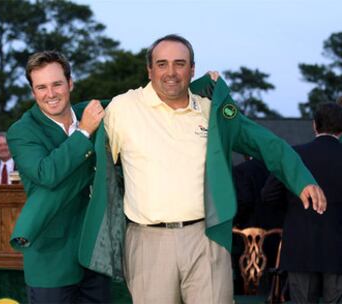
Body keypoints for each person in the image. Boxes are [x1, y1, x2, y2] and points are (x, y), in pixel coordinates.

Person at [103, 34, 326, 303]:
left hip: (206, 236)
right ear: (149, 70)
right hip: (147, 241)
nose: (171, 72)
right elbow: (89, 151)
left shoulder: (214, 110)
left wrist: (300, 179)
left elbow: (263, 141)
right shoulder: (123, 109)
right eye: (162, 64)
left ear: (192, 68)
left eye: (180, 63)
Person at [7, 51, 110, 304]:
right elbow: (47, 173)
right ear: (33, 91)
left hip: (96, 253)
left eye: (56, 84)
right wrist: (84, 131)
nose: (50, 94)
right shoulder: (21, 131)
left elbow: (142, 103)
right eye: (41, 87)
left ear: (70, 83)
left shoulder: (94, 112)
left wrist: (201, 87)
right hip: (50, 260)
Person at [262, 102, 342, 304]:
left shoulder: (294, 155)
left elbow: (268, 195)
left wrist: (294, 209)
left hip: (300, 243)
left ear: (315, 125)